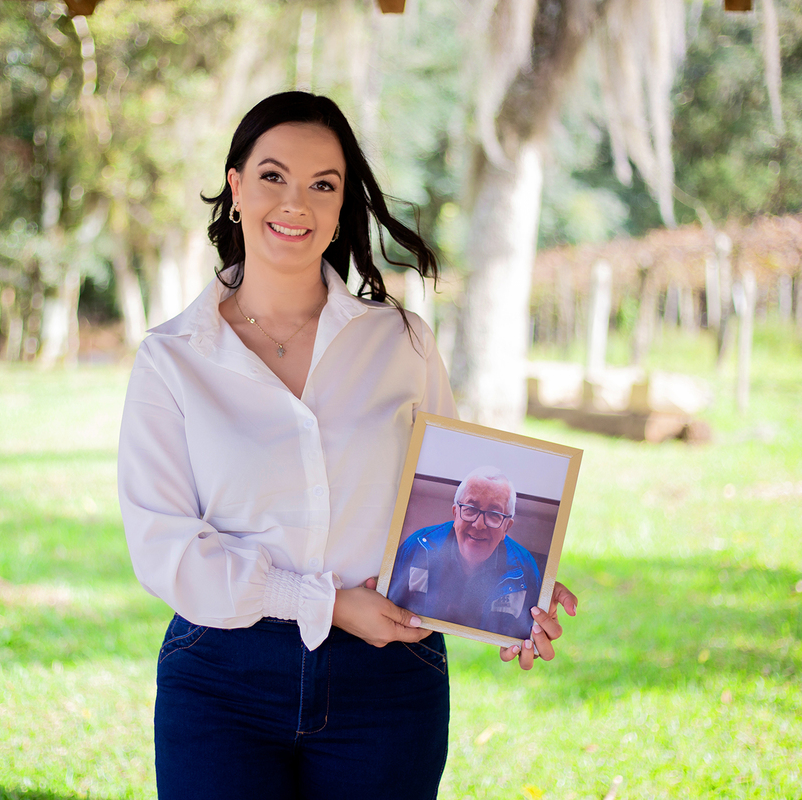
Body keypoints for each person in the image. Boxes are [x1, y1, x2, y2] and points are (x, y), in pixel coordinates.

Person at [117, 91, 578, 800]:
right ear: (236, 188)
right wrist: (323, 603)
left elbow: (455, 494)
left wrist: (514, 599)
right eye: (273, 176)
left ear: (340, 210)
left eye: (322, 185)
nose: (295, 202)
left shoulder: (402, 343)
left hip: (387, 681)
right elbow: (163, 546)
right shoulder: (172, 359)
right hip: (222, 679)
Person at [387, 467, 547, 640]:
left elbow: (524, 634)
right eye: (471, 509)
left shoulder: (526, 570)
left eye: (494, 514)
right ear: (456, 514)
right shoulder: (417, 546)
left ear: (506, 527)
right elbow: (390, 603)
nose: (479, 525)